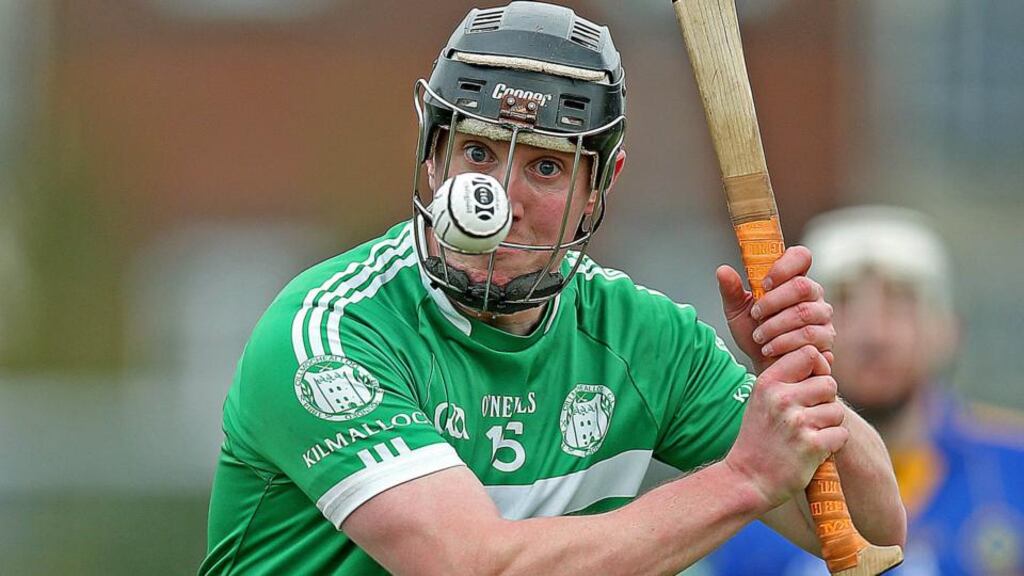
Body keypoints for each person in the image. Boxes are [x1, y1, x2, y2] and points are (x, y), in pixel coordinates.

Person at [200, 4, 905, 574]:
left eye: (545, 167)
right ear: (434, 157)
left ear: (601, 184)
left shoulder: (641, 338)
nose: (500, 198)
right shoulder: (330, 334)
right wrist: (744, 479)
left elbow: (872, 529)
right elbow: (470, 567)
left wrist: (798, 378)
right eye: (479, 152)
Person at [705, 205, 1024, 575]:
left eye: (901, 301)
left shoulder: (1014, 469)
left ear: (949, 329)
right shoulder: (750, 491)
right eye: (842, 303)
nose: (873, 335)